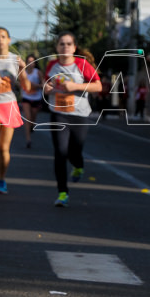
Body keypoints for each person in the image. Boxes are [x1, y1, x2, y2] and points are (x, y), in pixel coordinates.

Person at [43, 32, 101, 207]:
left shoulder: (82, 65)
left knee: (75, 150)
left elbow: (97, 86)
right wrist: (47, 88)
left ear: (74, 48)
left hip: (79, 114)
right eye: (62, 43)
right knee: (60, 152)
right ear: (57, 47)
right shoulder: (52, 65)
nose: (65, 46)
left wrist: (74, 86)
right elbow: (46, 85)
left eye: (69, 44)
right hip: (58, 113)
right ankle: (62, 193)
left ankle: (78, 164)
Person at [0, 27, 29, 194]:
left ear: (9, 40)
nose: (0, 40)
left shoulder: (15, 59)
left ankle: (1, 180)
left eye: (3, 37)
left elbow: (26, 86)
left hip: (9, 105)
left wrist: (23, 69)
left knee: (4, 148)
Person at [19, 54, 43, 148]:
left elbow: (43, 84)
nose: (30, 64)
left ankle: (31, 127)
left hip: (36, 97)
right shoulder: (23, 72)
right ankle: (28, 139)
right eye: (29, 62)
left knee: (32, 119)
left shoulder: (38, 72)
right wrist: (24, 85)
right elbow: (20, 82)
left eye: (32, 62)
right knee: (27, 118)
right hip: (26, 98)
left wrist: (35, 86)